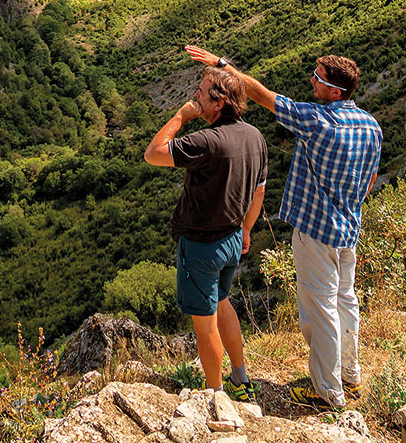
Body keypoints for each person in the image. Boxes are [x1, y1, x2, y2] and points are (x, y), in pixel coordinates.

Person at [185, 45, 382, 411]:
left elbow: (259, 94)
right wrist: (347, 205)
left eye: (318, 79)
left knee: (319, 309)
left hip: (315, 231)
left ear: (334, 92)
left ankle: (327, 392)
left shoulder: (317, 120)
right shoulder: (371, 125)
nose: (312, 81)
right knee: (345, 301)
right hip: (348, 228)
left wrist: (222, 64)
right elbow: (369, 181)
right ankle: (350, 376)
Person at [144, 67, 267, 401]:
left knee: (205, 322)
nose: (195, 95)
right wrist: (245, 229)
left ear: (220, 101)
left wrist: (182, 116)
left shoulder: (206, 140)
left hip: (201, 246)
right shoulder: (255, 136)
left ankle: (215, 394)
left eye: (202, 91)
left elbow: (153, 153)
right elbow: (258, 192)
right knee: (222, 302)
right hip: (231, 240)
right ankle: (240, 379)